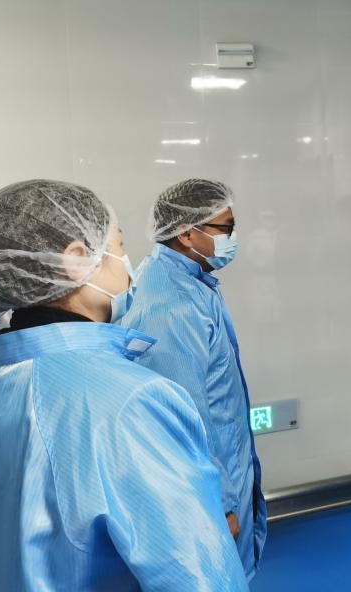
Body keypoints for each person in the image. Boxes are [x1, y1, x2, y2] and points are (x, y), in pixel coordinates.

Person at [0, 179, 248, 591]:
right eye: (119, 246)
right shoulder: (129, 402)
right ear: (76, 259)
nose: (127, 265)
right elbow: (195, 576)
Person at [122, 178, 266, 579]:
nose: (232, 239)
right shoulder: (172, 305)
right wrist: (218, 504)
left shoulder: (191, 282)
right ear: (187, 233)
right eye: (225, 228)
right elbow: (181, 416)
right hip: (211, 491)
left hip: (226, 470)